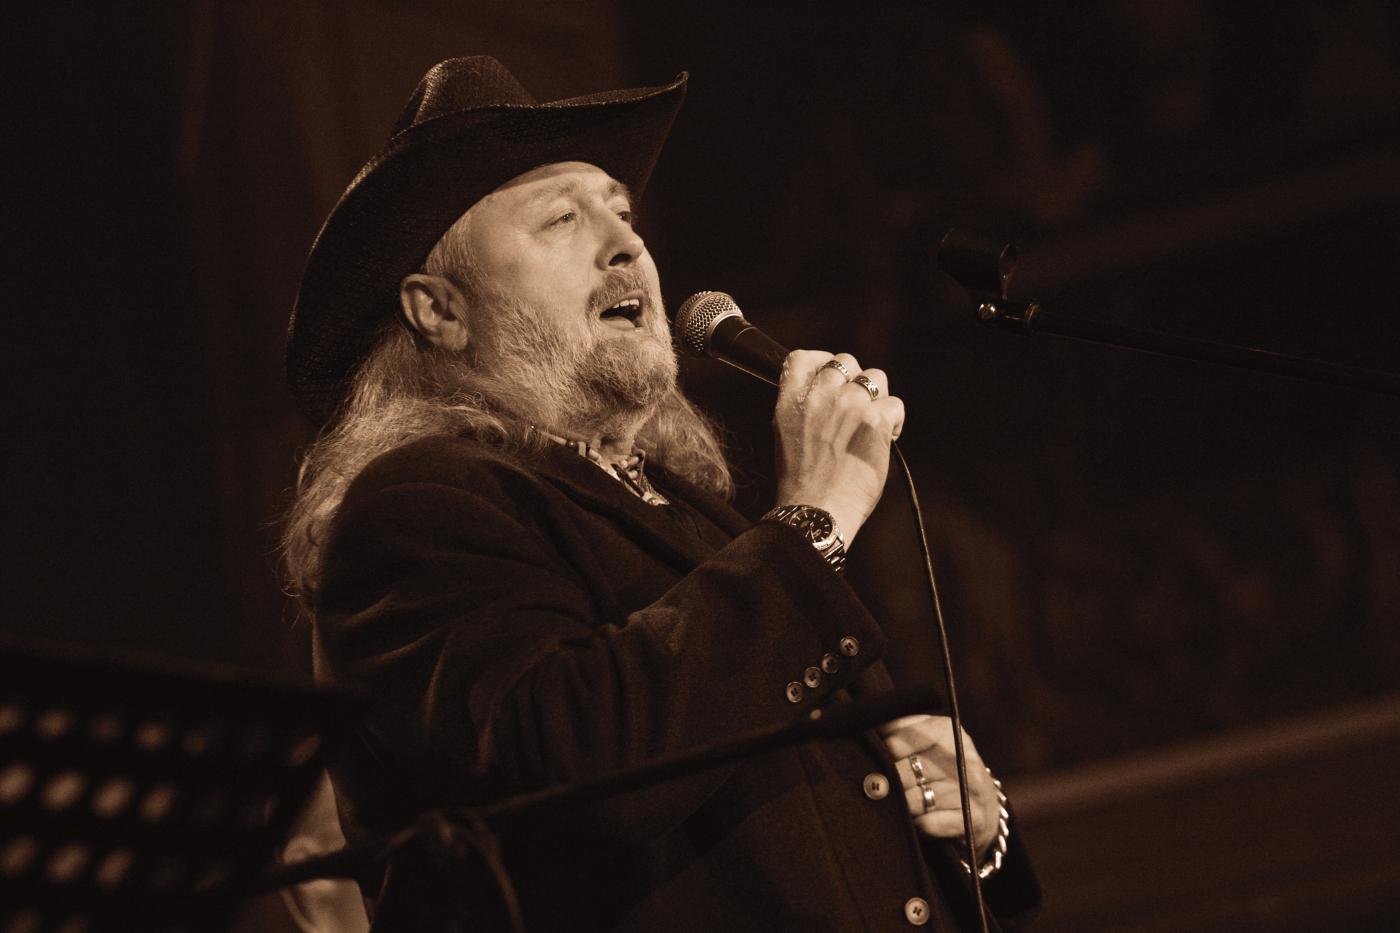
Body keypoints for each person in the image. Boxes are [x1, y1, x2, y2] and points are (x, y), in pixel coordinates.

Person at [283, 56, 1039, 931]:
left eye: (623, 213)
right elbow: (573, 768)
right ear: (439, 310)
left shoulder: (700, 521)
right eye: (563, 218)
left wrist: (976, 831)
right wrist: (809, 522)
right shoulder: (413, 510)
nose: (626, 244)